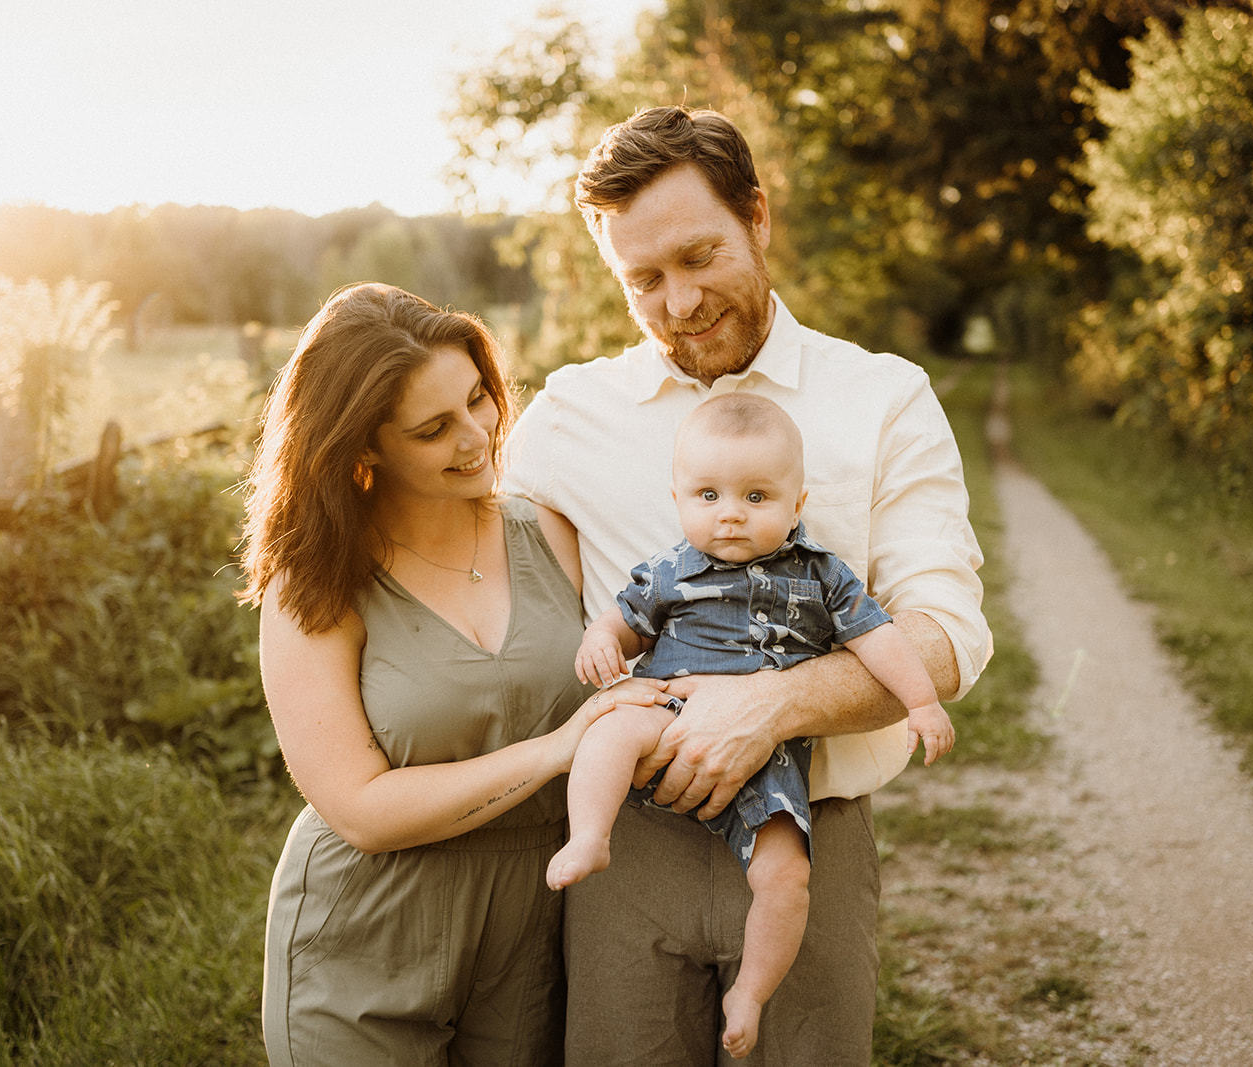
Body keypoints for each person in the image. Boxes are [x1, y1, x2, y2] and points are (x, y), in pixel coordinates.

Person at [502, 106, 993, 1065]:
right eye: (643, 279)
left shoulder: (884, 398)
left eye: (700, 257)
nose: (678, 302)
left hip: (807, 837)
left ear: (757, 217)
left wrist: (771, 705)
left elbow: (947, 632)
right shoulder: (567, 417)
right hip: (623, 852)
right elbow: (476, 577)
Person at [237, 282, 666, 1066]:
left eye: (478, 399)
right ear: (363, 446)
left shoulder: (553, 534)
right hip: (366, 937)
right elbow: (359, 808)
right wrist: (555, 749)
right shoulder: (315, 583)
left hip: (533, 933)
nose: (479, 437)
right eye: (434, 428)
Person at [549, 393, 955, 1058]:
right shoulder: (671, 570)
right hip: (669, 719)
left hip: (771, 760)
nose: (730, 512)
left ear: (798, 503)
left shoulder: (823, 575)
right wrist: (600, 642)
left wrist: (923, 701)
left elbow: (881, 640)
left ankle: (753, 992)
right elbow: (621, 623)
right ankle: (590, 834)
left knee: (787, 876)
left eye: (756, 496)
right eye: (707, 494)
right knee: (609, 730)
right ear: (678, 498)